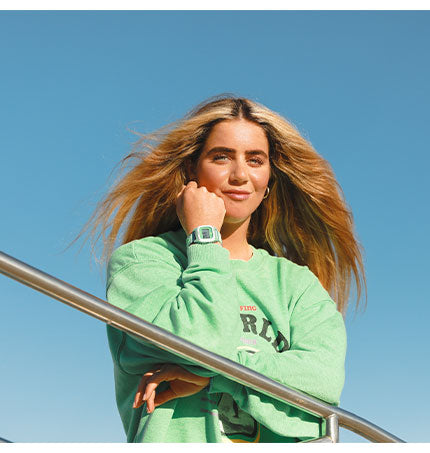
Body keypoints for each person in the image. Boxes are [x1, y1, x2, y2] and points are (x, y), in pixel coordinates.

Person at [87, 96, 363, 442]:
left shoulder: (297, 285)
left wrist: (220, 374)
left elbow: (322, 387)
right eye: (221, 157)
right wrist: (204, 238)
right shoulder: (142, 263)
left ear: (268, 180)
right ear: (192, 169)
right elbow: (197, 343)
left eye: (255, 160)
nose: (240, 175)